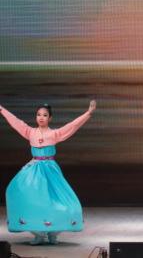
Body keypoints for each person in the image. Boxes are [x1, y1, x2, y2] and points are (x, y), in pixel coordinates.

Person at [0, 100, 96, 245]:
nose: (41, 117)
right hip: (34, 170)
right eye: (38, 115)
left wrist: (88, 113)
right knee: (22, 194)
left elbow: (72, 126)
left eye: (45, 115)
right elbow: (16, 122)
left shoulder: (54, 134)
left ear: (50, 118)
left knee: (59, 202)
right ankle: (38, 233)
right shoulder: (30, 132)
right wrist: (1, 109)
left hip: (50, 171)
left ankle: (53, 233)